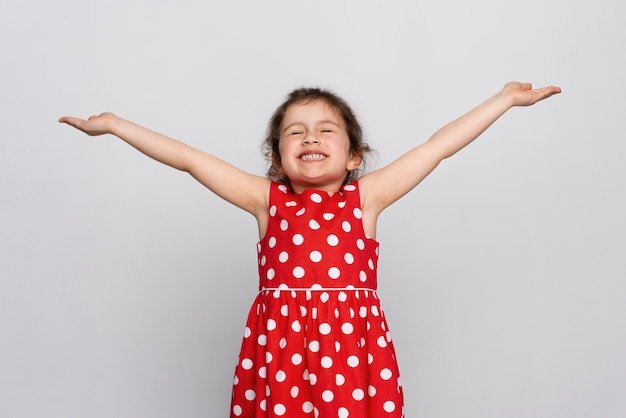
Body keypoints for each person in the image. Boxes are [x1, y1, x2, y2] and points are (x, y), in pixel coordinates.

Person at [59, 81, 561, 417]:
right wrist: (116, 125)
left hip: (351, 349)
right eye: (294, 133)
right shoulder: (265, 200)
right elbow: (190, 159)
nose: (310, 137)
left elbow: (438, 146)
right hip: (280, 349)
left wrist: (504, 100)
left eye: (326, 130)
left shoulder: (367, 198)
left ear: (354, 156)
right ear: (277, 157)